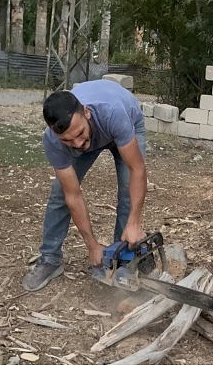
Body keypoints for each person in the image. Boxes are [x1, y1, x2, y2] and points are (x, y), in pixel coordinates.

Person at [22, 79, 147, 291]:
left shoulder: (112, 113)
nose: (78, 144)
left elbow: (138, 169)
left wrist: (134, 222)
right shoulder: (53, 141)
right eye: (68, 140)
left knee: (127, 191)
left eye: (79, 134)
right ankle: (50, 259)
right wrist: (92, 245)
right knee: (60, 194)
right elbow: (73, 195)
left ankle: (123, 257)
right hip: (96, 127)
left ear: (86, 112)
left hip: (127, 120)